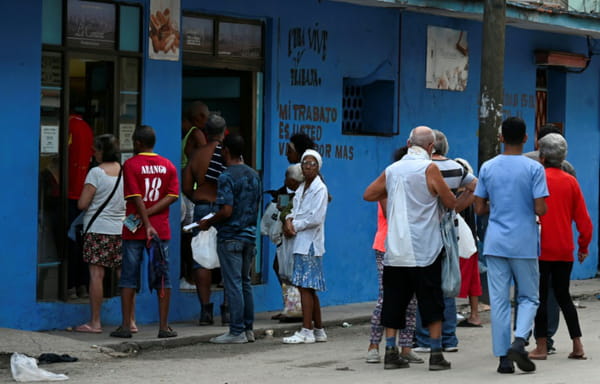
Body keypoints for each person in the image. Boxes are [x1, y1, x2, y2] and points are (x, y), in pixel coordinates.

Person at [363, 126, 468, 371]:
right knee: (431, 302)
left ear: (410, 143)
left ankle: (390, 351)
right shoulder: (429, 168)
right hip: (425, 250)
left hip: (396, 249)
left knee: (394, 301)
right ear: (431, 147)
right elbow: (450, 202)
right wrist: (467, 195)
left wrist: (393, 190)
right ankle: (436, 354)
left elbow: (369, 194)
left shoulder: (393, 170)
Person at [474, 117, 549, 374]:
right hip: (524, 242)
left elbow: (479, 207)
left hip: (495, 241)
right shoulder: (534, 169)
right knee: (529, 296)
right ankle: (519, 340)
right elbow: (541, 208)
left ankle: (503, 359)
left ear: (501, 137)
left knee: (499, 300)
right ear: (527, 138)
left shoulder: (488, 167)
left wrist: (496, 207)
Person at [110, 125, 179, 339]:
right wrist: (151, 218)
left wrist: (144, 218)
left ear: (138, 143)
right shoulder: (168, 165)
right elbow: (172, 196)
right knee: (163, 277)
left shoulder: (131, 164)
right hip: (161, 230)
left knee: (129, 278)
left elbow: (135, 196)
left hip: (135, 230)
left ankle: (125, 326)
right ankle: (164, 326)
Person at [528, 134, 592, 360]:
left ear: (542, 156)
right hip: (565, 248)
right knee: (564, 297)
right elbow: (584, 220)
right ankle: (577, 345)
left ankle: (542, 346)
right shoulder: (571, 181)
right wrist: (583, 246)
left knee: (541, 297)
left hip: (540, 247)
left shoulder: (536, 178)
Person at [414, 130, 477, 353]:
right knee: (447, 284)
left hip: (424, 232)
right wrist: (456, 207)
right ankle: (449, 338)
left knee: (424, 286)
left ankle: (425, 338)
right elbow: (475, 186)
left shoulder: (420, 167)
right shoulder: (455, 167)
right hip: (450, 231)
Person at [196, 134, 261, 344]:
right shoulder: (253, 175)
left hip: (230, 236)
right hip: (250, 235)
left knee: (233, 284)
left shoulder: (226, 177)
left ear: (226, 151)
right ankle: (248, 329)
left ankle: (236, 330)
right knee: (245, 283)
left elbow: (226, 210)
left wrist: (209, 221)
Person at [366, 146, 423, 365]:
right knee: (386, 298)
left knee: (411, 301)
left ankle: (406, 348)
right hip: (387, 246)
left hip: (411, 247)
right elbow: (393, 212)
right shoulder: (387, 184)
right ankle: (373, 345)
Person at [524, 123, 577, 354]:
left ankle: (527, 337)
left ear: (538, 142)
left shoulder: (525, 162)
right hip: (562, 241)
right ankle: (553, 340)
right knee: (558, 293)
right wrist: (583, 244)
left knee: (531, 291)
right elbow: (577, 209)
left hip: (532, 239)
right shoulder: (568, 170)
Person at [74, 134, 130, 333]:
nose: (93, 153)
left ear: (102, 151)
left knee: (96, 275)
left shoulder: (96, 173)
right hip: (121, 230)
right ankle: (130, 321)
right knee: (125, 276)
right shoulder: (125, 172)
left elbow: (82, 204)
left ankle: (95, 322)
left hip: (98, 230)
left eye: (96, 149)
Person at [182, 114, 227, 325]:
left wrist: (199, 199)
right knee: (228, 256)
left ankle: (205, 310)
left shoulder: (197, 155)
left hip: (202, 208)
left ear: (206, 132)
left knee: (201, 258)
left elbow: (185, 186)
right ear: (223, 131)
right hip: (225, 209)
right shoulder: (227, 154)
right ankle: (227, 308)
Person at [282, 149, 329, 344]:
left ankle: (306, 330)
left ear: (318, 167)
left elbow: (316, 218)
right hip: (301, 242)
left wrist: (295, 225)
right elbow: (294, 209)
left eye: (312, 164)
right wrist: (288, 219)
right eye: (305, 164)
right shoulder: (302, 188)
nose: (308, 167)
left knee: (305, 287)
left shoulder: (320, 189)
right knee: (309, 288)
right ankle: (318, 330)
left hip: (310, 243)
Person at [180, 101, 209, 290]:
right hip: (193, 190)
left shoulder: (185, 133)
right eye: (204, 117)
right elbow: (207, 157)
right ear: (197, 116)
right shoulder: (197, 134)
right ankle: (190, 278)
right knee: (192, 236)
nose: (206, 121)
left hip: (184, 187)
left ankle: (187, 276)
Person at [67, 111, 94, 300]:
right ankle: (83, 285)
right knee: (84, 243)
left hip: (69, 193)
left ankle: (69, 285)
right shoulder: (86, 128)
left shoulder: (67, 127)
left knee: (68, 243)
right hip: (82, 195)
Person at [454, 157, 483, 327]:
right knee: (473, 282)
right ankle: (474, 315)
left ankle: (447, 320)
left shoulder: (458, 197)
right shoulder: (471, 195)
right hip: (471, 243)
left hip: (461, 245)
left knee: (452, 282)